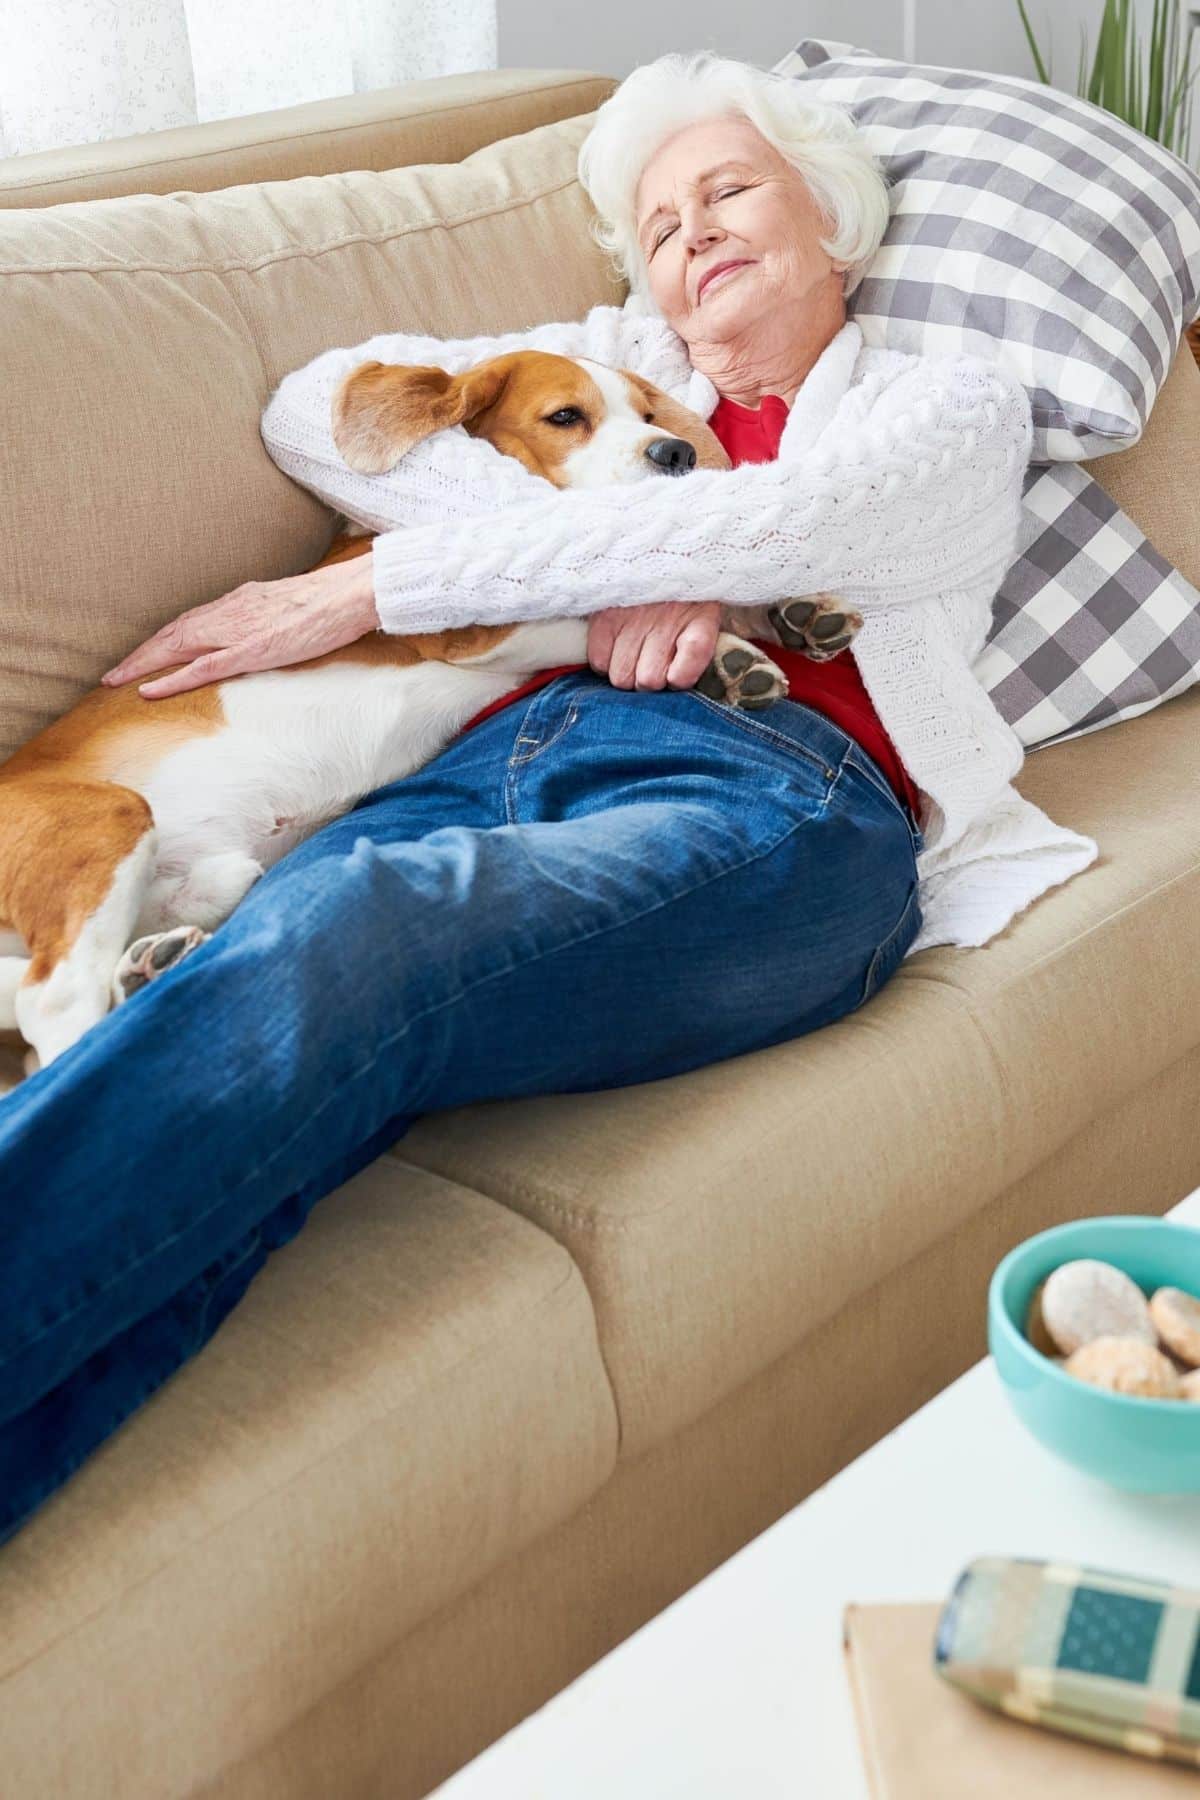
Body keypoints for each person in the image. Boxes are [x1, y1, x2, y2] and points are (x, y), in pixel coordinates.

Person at [0, 51, 1096, 1540]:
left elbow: (807, 519)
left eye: (728, 192)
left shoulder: (939, 392)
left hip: (779, 795)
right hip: (483, 761)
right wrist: (616, 536)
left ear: (831, 223)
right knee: (283, 1020)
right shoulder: (624, 377)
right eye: (658, 225)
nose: (690, 234)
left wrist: (423, 575)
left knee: (364, 928)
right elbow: (324, 414)